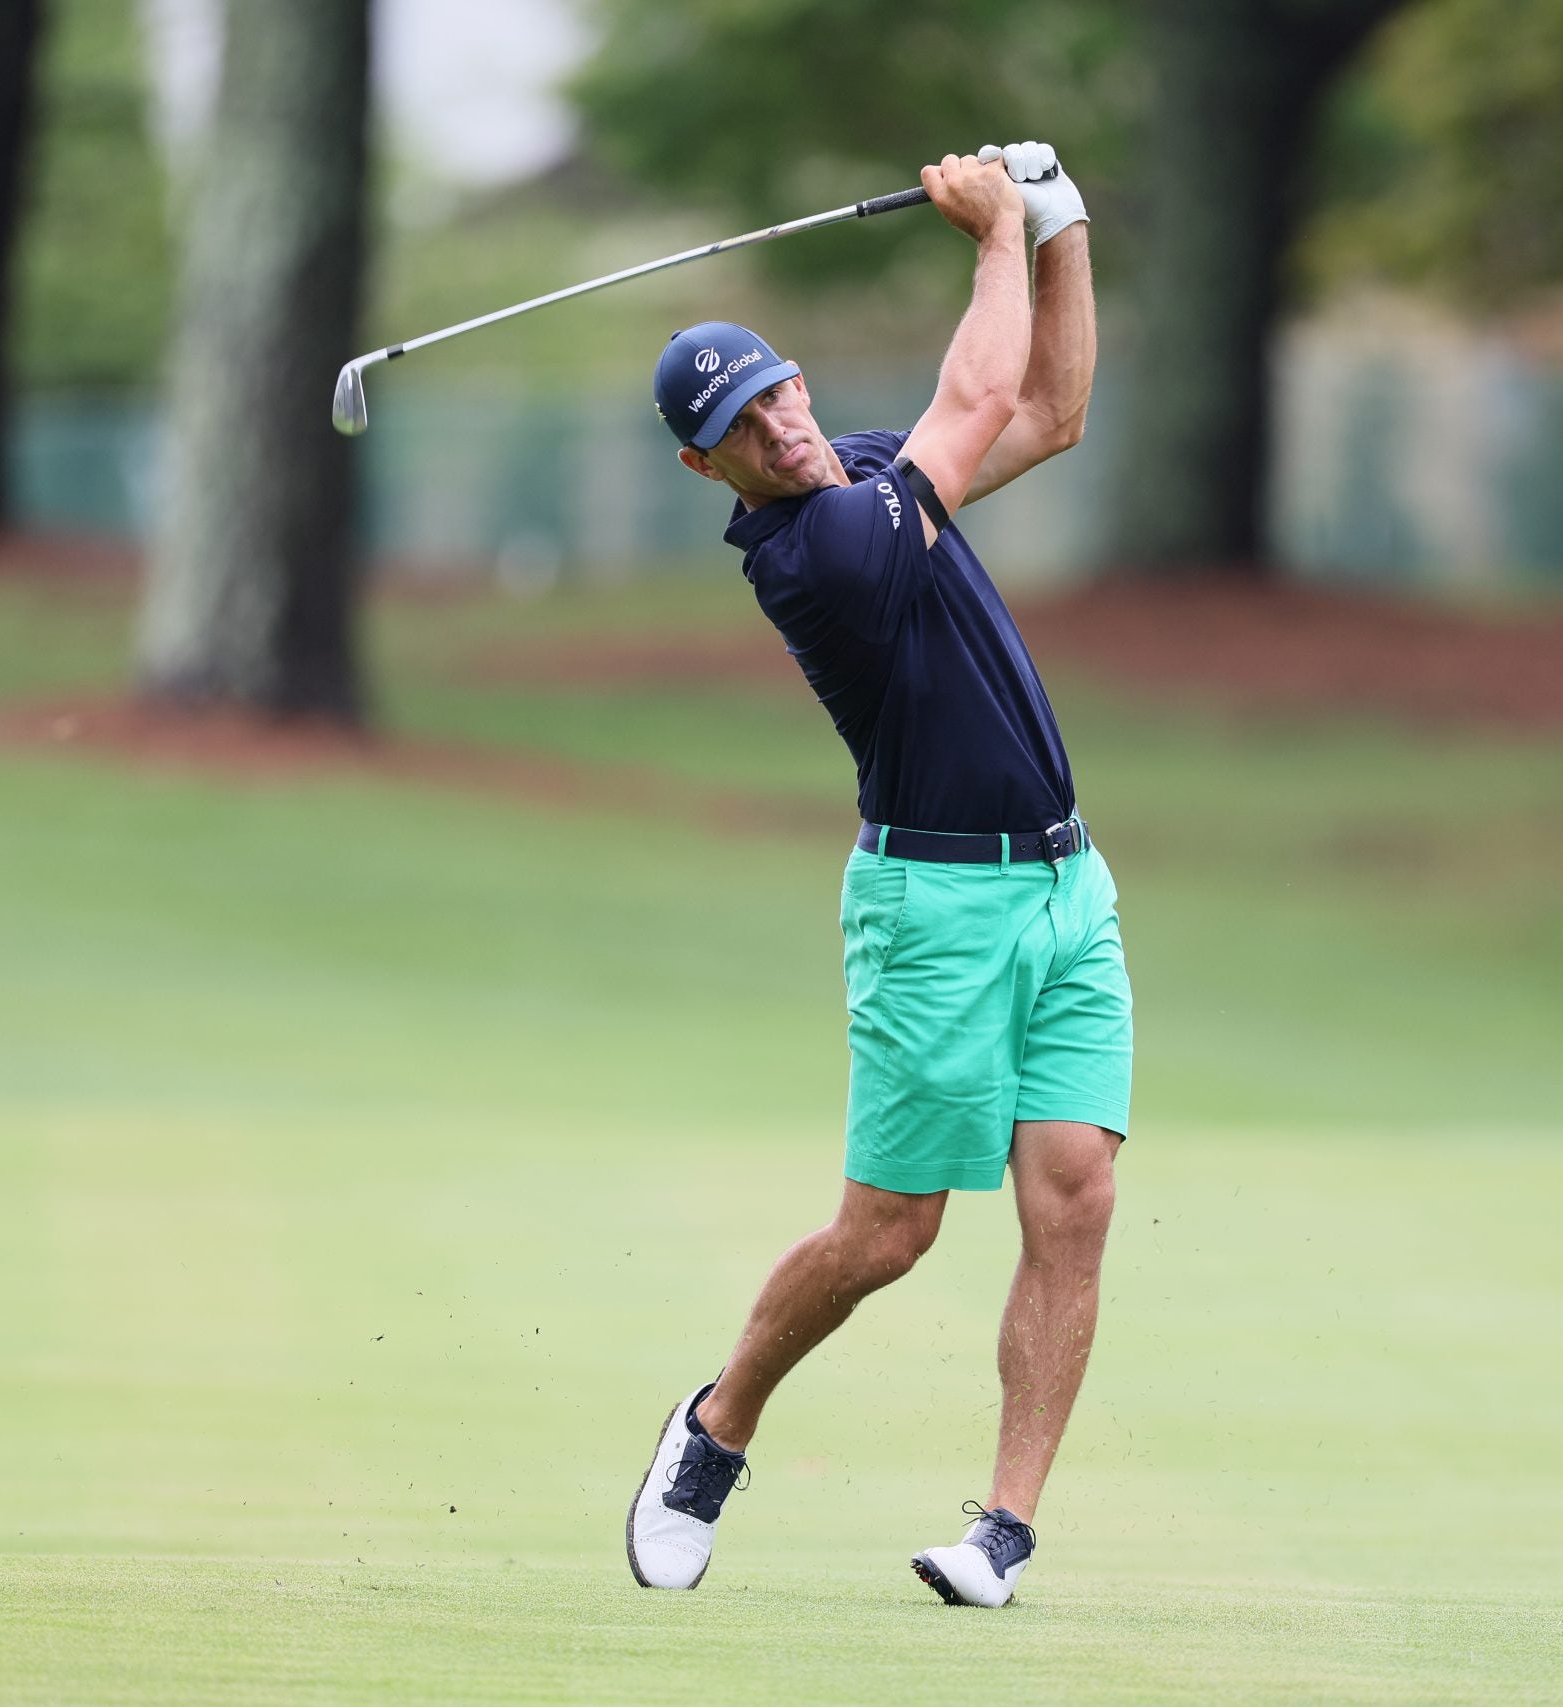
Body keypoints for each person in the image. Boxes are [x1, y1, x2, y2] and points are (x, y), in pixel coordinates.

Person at [625, 143, 1125, 1608]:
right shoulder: (818, 546)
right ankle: (715, 1430)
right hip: (935, 909)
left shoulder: (860, 468)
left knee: (1078, 1193)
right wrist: (988, 233)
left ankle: (1003, 1534)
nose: (779, 424)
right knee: (890, 1235)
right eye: (738, 421)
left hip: (1064, 889)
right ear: (700, 462)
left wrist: (1059, 225)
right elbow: (975, 400)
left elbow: (1052, 411)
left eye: (776, 389)